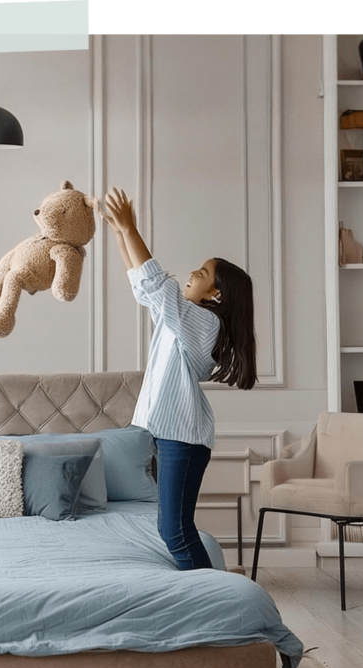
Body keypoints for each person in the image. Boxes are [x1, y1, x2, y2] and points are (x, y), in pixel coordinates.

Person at [102, 186, 257, 570]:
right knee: (169, 526)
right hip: (169, 434)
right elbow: (145, 287)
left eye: (202, 273)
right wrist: (120, 232)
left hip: (182, 438)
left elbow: (158, 284)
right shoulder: (180, 323)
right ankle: (206, 593)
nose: (192, 273)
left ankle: (212, 598)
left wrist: (130, 227)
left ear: (216, 294)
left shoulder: (203, 324)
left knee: (175, 528)